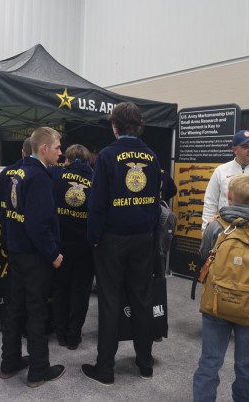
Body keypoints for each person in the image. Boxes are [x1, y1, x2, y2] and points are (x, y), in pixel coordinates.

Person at [83, 102, 161, 386]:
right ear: (139, 125)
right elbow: (155, 202)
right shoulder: (152, 156)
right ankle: (145, 364)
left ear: (114, 125)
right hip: (143, 237)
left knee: (110, 300)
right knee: (142, 299)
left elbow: (97, 204)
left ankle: (105, 368)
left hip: (112, 239)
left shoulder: (105, 156)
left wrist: (93, 237)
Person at [193, 174, 249, 402]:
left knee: (209, 362)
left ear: (229, 196)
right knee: (247, 367)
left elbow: (204, 257)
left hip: (216, 302)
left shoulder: (215, 226)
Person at [0, 127, 65, 388]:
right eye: (58, 147)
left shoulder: (14, 171)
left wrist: (14, 222)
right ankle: (38, 370)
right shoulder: (39, 177)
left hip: (15, 250)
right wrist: (53, 254)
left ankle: (10, 362)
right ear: (44, 149)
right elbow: (38, 225)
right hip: (35, 254)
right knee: (36, 311)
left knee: (15, 308)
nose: (61, 152)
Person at [50, 144, 94, 350]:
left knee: (60, 289)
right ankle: (73, 337)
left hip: (61, 244)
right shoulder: (95, 181)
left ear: (67, 159)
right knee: (80, 291)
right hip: (86, 245)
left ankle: (60, 334)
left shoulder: (56, 178)